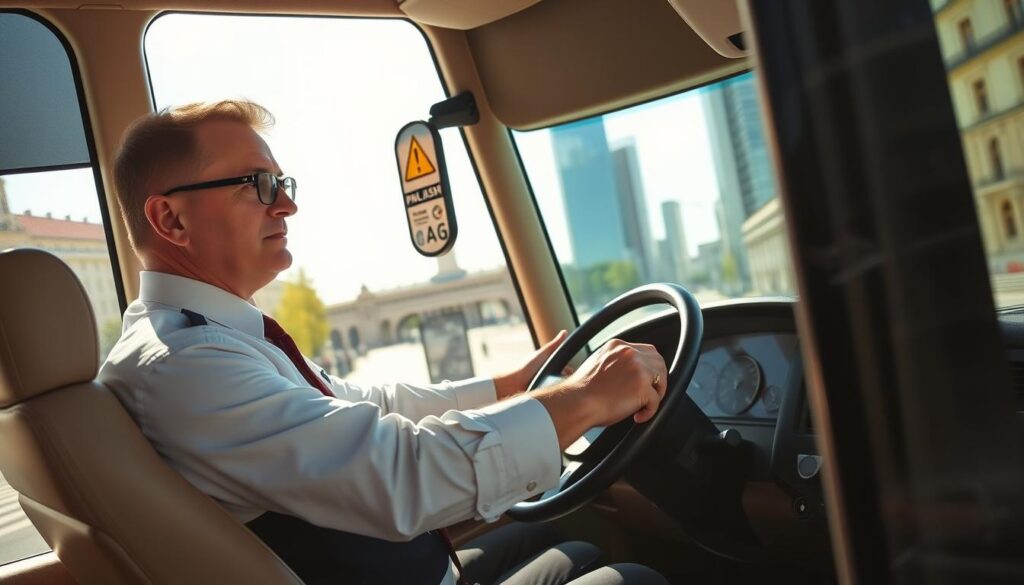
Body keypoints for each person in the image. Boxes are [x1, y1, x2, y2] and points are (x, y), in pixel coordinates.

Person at [99, 100, 670, 585]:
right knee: (634, 577)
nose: (287, 204)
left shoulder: (201, 338)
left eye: (283, 184)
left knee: (569, 545)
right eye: (259, 185)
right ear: (170, 220)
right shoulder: (187, 368)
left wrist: (510, 386)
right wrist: (586, 399)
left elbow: (364, 406)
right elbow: (402, 474)